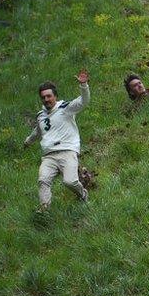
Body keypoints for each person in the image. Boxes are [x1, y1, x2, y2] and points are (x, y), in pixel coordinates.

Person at [23, 70, 91, 212]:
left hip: (67, 152)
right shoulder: (41, 116)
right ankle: (44, 210)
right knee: (43, 180)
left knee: (70, 181)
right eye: (43, 97)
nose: (46, 99)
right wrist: (28, 141)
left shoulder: (65, 108)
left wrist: (84, 85)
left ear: (55, 96)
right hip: (49, 156)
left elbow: (83, 102)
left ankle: (83, 194)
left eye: (49, 96)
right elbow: (38, 131)